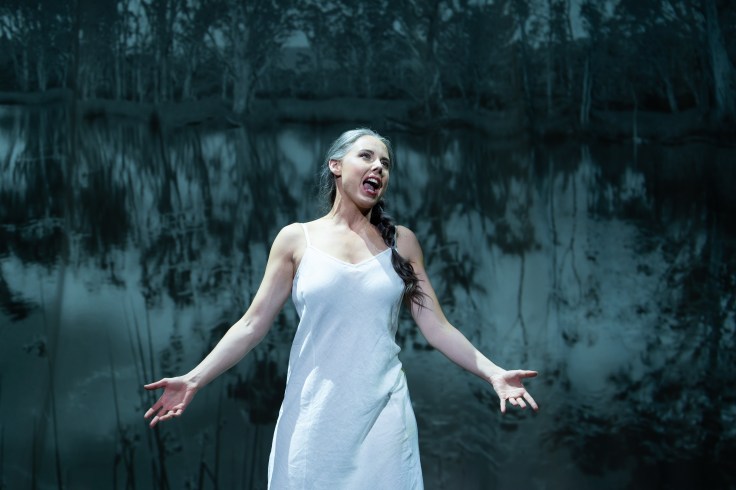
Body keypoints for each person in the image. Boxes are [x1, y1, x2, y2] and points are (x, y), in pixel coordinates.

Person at [144, 128, 538, 489]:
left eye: (385, 163)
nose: (378, 167)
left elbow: (437, 327)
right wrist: (194, 379)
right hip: (313, 416)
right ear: (336, 165)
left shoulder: (402, 243)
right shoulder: (296, 239)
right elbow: (251, 325)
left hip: (383, 417)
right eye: (366, 156)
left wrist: (493, 373)